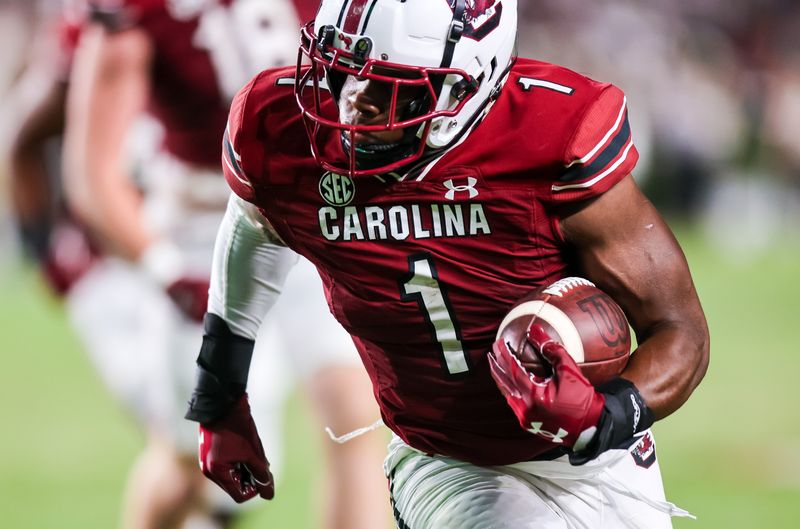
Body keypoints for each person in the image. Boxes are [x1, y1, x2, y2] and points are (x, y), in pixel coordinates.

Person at [185, 0, 710, 528]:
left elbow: (679, 329)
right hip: (447, 460)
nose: (351, 104)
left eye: (391, 87)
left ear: (468, 87)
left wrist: (608, 414)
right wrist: (219, 393)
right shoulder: (282, 132)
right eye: (341, 71)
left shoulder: (550, 135)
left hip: (605, 464)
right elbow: (254, 228)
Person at [60, 1, 388, 529]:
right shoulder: (136, 13)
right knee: (194, 465)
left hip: (313, 217)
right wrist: (164, 267)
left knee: (355, 419)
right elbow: (92, 173)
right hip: (203, 233)